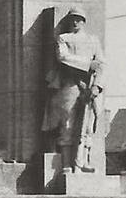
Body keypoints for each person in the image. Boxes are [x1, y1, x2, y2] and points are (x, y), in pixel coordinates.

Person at [42, 9, 106, 171]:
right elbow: (63, 58)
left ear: (84, 21)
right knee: (68, 123)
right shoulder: (63, 38)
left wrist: (97, 86)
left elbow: (101, 64)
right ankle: (65, 164)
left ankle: (83, 161)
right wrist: (87, 64)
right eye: (73, 19)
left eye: (79, 19)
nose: (75, 22)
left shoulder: (93, 40)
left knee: (87, 125)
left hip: (89, 86)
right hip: (69, 84)